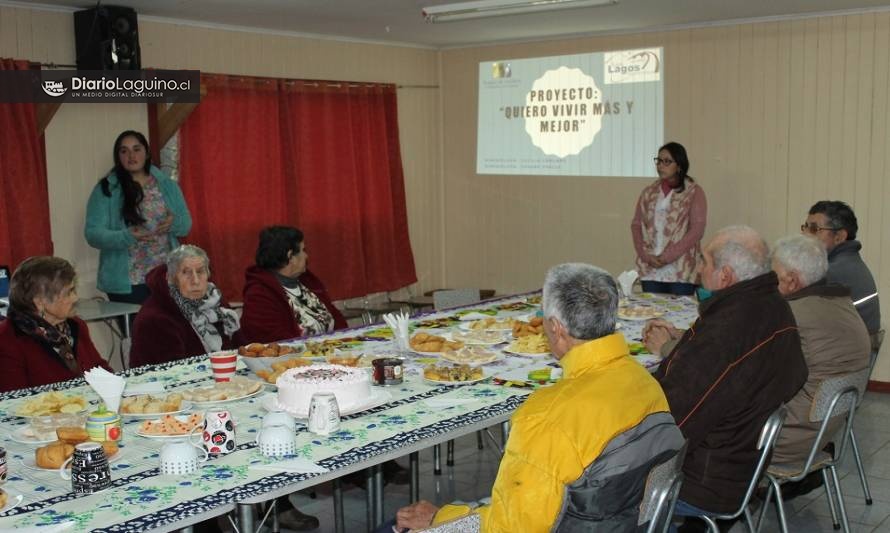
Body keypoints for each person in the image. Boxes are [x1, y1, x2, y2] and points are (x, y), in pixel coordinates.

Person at [390, 263, 684, 532]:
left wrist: (439, 519)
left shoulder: (546, 417)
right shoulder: (646, 383)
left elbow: (511, 526)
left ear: (555, 329)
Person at [647, 225, 808, 519]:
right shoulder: (776, 308)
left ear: (725, 276)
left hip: (705, 480)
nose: (698, 270)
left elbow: (669, 420)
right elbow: (797, 375)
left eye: (705, 262)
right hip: (743, 461)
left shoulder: (726, 332)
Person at [770, 234, 870, 498]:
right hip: (823, 435)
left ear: (791, 280)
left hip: (784, 441)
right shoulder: (842, 304)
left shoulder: (791, 315)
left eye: (773, 275)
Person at [85, 130, 192, 305]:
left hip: (167, 276)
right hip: (128, 283)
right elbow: (92, 234)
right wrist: (126, 236)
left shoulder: (166, 184)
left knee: (170, 331)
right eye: (124, 151)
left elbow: (186, 224)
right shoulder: (106, 189)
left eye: (136, 149)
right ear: (118, 156)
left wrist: (174, 222)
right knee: (140, 331)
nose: (131, 155)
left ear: (147, 153)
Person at [0, 257, 111, 392]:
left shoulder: (75, 325)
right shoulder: (8, 339)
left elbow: (98, 368)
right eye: (68, 292)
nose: (75, 298)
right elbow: (12, 400)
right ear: (40, 302)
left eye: (73, 290)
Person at [129, 245, 243, 367]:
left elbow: (242, 350)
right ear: (171, 278)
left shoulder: (215, 301)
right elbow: (174, 374)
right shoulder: (154, 318)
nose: (195, 281)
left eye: (200, 271)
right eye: (186, 273)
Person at [241, 226, 346, 342]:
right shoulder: (259, 295)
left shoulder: (307, 281)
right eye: (303, 250)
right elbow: (276, 341)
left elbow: (337, 319)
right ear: (290, 256)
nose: (306, 256)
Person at [631, 142, 707, 296]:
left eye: (667, 161)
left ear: (679, 165)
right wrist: (645, 256)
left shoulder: (693, 192)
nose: (660, 166)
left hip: (680, 269)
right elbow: (636, 225)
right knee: (652, 316)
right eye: (658, 161)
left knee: (679, 318)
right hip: (650, 267)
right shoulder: (649, 192)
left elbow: (697, 230)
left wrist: (666, 257)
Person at [803, 201, 882, 349]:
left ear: (839, 237)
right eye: (805, 227)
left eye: (814, 229)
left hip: (847, 360)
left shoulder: (833, 272)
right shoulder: (849, 262)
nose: (805, 234)